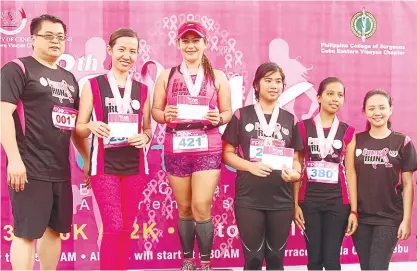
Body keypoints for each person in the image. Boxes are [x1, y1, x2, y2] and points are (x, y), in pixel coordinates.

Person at [0, 14, 87, 270]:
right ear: (33, 39)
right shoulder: (17, 68)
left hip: (60, 169)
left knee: (55, 230)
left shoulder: (69, 79)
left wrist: (88, 161)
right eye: (48, 36)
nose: (55, 41)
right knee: (26, 232)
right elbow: (3, 114)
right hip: (28, 168)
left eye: (60, 37)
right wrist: (14, 160)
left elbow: (74, 127)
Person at [152, 21, 231, 270]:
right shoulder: (166, 75)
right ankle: (188, 260)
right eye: (185, 41)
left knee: (200, 206)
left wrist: (218, 117)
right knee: (184, 207)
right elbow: (155, 111)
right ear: (178, 44)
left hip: (207, 145)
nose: (190, 45)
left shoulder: (218, 76)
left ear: (205, 44)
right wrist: (165, 114)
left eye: (195, 40)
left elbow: (228, 112)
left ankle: (205, 262)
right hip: (176, 145)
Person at [74, 28, 151, 270]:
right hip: (103, 165)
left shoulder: (143, 89)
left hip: (135, 166)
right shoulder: (93, 85)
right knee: (114, 226)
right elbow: (79, 128)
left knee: (127, 228)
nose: (127, 55)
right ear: (110, 50)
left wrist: (144, 137)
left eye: (132, 51)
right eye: (121, 49)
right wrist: (91, 125)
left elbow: (148, 129)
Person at [222, 62, 303, 270]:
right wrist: (250, 166)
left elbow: (296, 158)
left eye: (278, 81)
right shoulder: (242, 115)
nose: (274, 85)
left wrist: (295, 172)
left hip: (281, 200)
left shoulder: (290, 120)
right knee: (253, 259)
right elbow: (227, 154)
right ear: (257, 85)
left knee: (276, 259)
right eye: (268, 80)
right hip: (249, 199)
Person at [293, 77, 358, 270]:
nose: (335, 99)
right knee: (314, 260)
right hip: (309, 201)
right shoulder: (303, 127)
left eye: (340, 95)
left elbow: (351, 173)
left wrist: (354, 210)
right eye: (330, 94)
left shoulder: (348, 132)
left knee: (331, 261)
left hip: (337, 202)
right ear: (318, 97)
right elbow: (297, 165)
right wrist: (295, 204)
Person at [352, 89, 416, 270]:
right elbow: (350, 176)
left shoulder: (402, 142)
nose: (377, 112)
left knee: (377, 267)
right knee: (366, 267)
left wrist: (406, 220)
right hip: (361, 218)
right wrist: (353, 212)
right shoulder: (356, 141)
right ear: (365, 111)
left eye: (382, 107)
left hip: (389, 218)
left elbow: (408, 183)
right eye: (371, 108)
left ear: (390, 110)